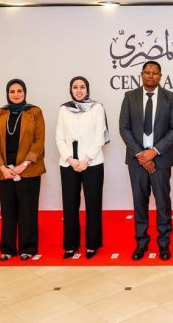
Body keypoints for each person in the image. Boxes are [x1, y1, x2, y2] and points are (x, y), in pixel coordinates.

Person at [119, 61, 173, 261]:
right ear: (141, 74)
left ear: (160, 76)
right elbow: (124, 128)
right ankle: (141, 242)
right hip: (136, 160)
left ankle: (163, 243)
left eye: (155, 73)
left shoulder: (170, 98)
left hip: (161, 159)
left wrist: (154, 152)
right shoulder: (130, 97)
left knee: (163, 202)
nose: (151, 76)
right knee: (140, 202)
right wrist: (141, 154)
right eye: (147, 72)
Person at [0, 79, 46, 261]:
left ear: (25, 92)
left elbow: (39, 141)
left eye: (19, 91)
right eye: (12, 91)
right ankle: (7, 248)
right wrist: (2, 166)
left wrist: (24, 165)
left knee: (27, 211)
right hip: (4, 171)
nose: (16, 94)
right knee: (7, 211)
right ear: (7, 93)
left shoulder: (34, 112)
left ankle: (28, 248)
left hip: (28, 170)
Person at [56, 76, 109, 259]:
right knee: (70, 205)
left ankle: (92, 245)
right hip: (68, 164)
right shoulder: (64, 109)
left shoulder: (97, 107)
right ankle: (70, 245)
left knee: (93, 204)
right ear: (71, 90)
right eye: (75, 87)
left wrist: (86, 159)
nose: (79, 90)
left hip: (92, 163)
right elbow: (59, 137)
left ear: (87, 89)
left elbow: (100, 137)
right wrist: (70, 159)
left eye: (82, 87)